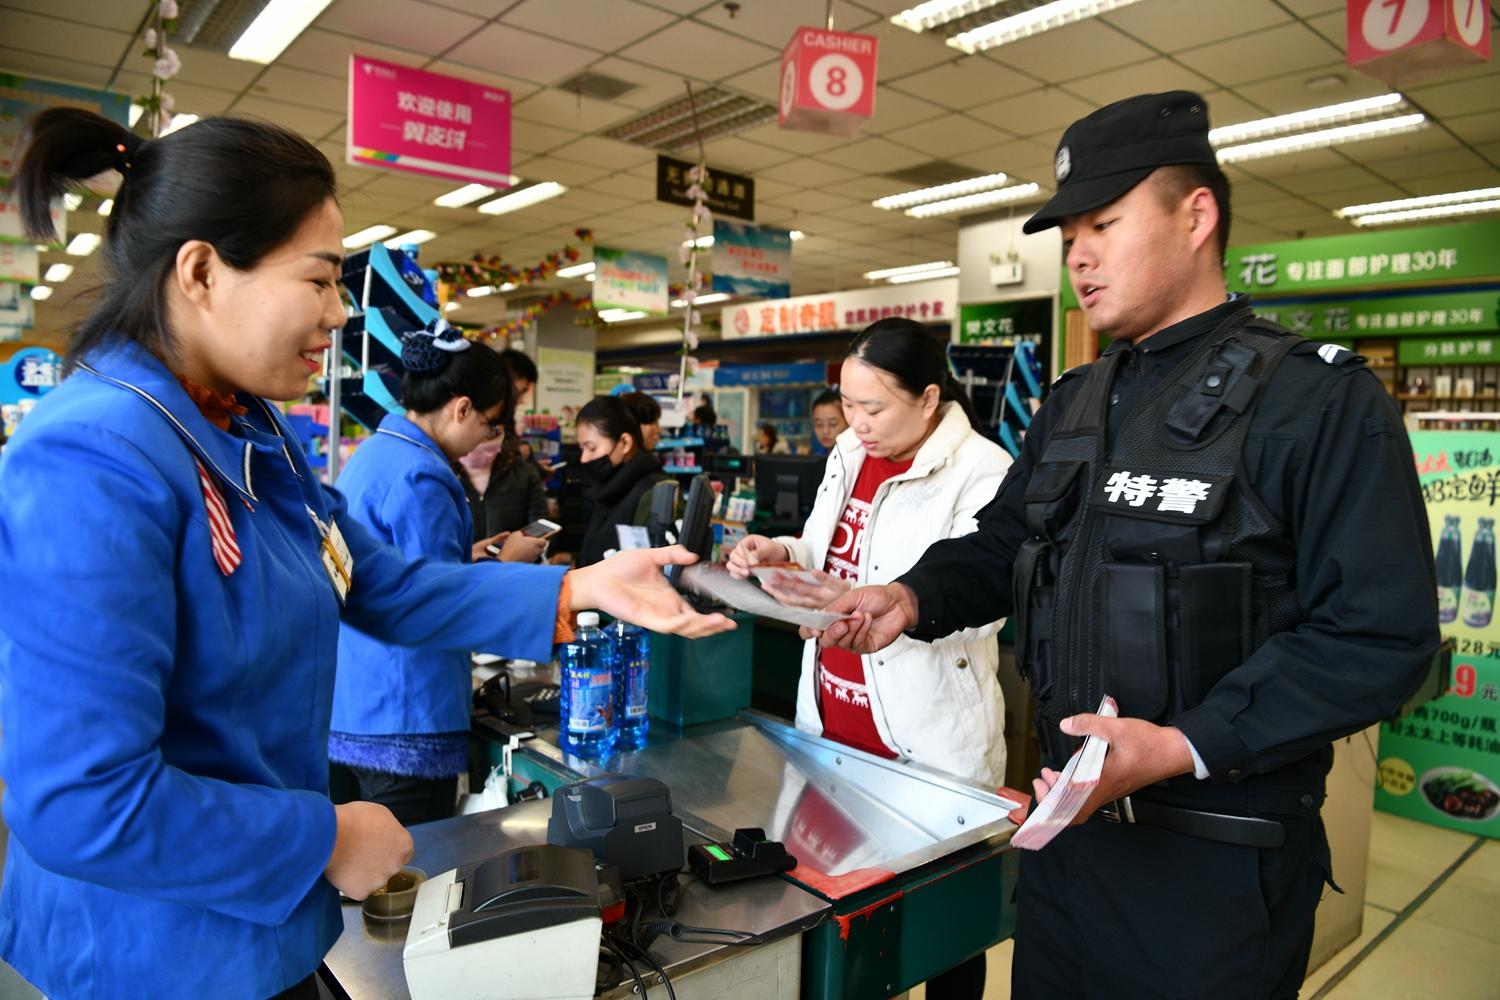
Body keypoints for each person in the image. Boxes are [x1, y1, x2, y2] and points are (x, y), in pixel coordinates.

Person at [0, 108, 730, 1000]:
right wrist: (327, 840)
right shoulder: (97, 457)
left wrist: (574, 587)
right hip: (155, 953)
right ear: (200, 272)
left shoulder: (243, 427)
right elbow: (83, 802)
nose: (341, 314)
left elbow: (367, 576)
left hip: (265, 934)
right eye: (320, 280)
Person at [814, 92, 1439, 999]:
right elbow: (1002, 544)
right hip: (1070, 846)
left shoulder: (1317, 405)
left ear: (1198, 215)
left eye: (1105, 221)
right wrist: (908, 597)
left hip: (1217, 868)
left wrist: (1185, 743)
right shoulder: (1074, 400)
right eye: (1070, 233)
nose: (1079, 254)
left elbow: (1381, 638)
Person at [729, 318, 1011, 999]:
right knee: (854, 925)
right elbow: (835, 551)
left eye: (873, 407)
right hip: (833, 732)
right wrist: (782, 553)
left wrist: (886, 608)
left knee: (945, 934)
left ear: (928, 397)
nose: (855, 424)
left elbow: (989, 598)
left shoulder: (983, 471)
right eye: (847, 406)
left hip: (926, 744)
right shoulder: (849, 455)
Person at [330, 323, 546, 827]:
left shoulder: (378, 453)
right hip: (408, 713)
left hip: (364, 698)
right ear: (461, 407)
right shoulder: (421, 474)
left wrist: (466, 557)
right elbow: (436, 605)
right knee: (409, 881)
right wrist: (509, 564)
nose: (487, 439)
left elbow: (400, 571)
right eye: (491, 424)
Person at [575, 395, 672, 567]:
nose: (584, 458)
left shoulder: (653, 494)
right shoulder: (609, 488)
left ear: (625, 443)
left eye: (591, 448)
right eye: (581, 449)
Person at [807, 386, 847, 457]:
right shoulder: (817, 458)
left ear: (848, 423)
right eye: (819, 424)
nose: (825, 431)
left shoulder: (858, 460)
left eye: (832, 424)